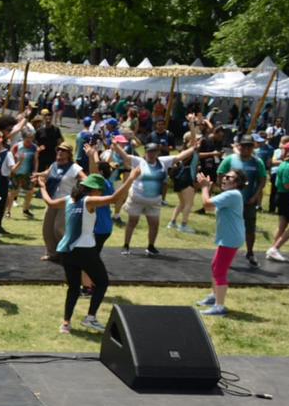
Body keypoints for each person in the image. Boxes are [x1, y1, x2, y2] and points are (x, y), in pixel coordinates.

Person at [47, 171, 132, 334]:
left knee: (73, 288)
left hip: (67, 250)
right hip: (86, 250)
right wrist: (131, 178)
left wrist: (43, 186)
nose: (100, 194)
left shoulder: (69, 200)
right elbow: (114, 199)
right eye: (100, 190)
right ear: (94, 190)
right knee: (102, 283)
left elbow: (50, 202)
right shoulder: (89, 200)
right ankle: (90, 318)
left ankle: (66, 323)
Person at [113, 139, 196, 256]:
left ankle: (151, 246)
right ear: (145, 152)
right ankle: (126, 245)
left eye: (154, 152)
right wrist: (116, 146)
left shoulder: (163, 162)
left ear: (158, 152)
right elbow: (125, 157)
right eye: (149, 152)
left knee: (154, 224)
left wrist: (193, 149)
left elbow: (179, 157)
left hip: (154, 201)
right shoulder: (139, 161)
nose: (152, 154)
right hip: (137, 198)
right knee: (132, 222)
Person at [196, 169, 246, 316]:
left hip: (230, 238)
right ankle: (214, 296)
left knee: (220, 271)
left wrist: (205, 187)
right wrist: (208, 188)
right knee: (215, 266)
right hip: (228, 237)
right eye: (225, 176)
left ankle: (219, 307)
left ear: (236, 183)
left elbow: (206, 204)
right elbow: (211, 208)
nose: (224, 179)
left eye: (229, 177)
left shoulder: (233, 194)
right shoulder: (229, 195)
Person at [216, 135, 268, 266]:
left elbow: (262, 180)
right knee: (229, 228)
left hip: (248, 201)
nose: (246, 149)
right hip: (232, 202)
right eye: (243, 146)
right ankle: (225, 254)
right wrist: (224, 191)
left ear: (253, 147)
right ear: (239, 146)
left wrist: (255, 196)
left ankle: (250, 252)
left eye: (249, 146)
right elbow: (220, 173)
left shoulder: (257, 162)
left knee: (250, 229)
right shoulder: (230, 159)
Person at [36, 143, 84, 262]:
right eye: (59, 150)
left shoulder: (74, 168)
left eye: (64, 150)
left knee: (59, 228)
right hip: (52, 200)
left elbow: (85, 179)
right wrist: (37, 175)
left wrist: (78, 193)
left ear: (69, 154)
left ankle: (68, 253)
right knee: (47, 229)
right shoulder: (54, 165)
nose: (60, 152)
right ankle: (52, 253)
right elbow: (47, 173)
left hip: (65, 202)